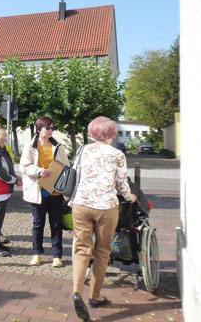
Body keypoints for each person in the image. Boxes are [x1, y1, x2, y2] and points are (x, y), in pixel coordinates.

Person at [70, 116, 136, 321]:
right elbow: (121, 184)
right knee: (102, 251)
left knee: (82, 250)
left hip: (81, 205)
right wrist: (130, 197)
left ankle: (77, 292)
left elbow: (74, 173)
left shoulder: (82, 150)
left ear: (92, 133)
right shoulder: (117, 154)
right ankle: (95, 296)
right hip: (105, 207)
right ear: (112, 133)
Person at [20, 116, 70, 267]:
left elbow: (65, 166)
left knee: (55, 224)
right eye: (48, 128)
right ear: (38, 129)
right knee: (38, 224)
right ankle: (37, 254)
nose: (51, 131)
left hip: (55, 191)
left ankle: (57, 256)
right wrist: (39, 171)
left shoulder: (58, 146)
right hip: (38, 190)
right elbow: (24, 167)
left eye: (52, 128)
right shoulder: (30, 147)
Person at [0, 128, 21, 257]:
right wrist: (14, 180)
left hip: (3, 189)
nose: (6, 138)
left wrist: (15, 177)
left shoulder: (1, 151)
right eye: (4, 136)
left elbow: (7, 169)